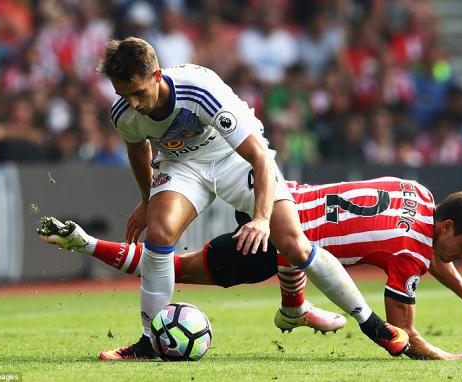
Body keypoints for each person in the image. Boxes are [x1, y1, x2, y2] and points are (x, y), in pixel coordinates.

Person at [95, 37, 407, 360]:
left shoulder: (199, 89)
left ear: (157, 75)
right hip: (182, 165)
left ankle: (371, 324)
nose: (132, 103)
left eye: (138, 93)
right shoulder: (124, 113)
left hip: (233, 156)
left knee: (293, 243)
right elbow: (137, 150)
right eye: (123, 95)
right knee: (159, 234)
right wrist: (147, 201)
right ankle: (148, 343)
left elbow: (259, 157)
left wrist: (260, 219)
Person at [39, 177, 462, 361]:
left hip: (275, 196)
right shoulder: (411, 253)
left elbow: (434, 249)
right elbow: (403, 335)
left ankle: (296, 307)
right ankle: (84, 242)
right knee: (177, 267)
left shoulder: (420, 193)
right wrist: (453, 359)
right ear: (447, 225)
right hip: (278, 239)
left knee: (178, 258)